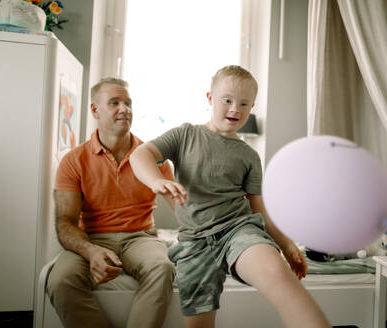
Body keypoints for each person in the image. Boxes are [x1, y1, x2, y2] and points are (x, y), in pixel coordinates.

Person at [129, 65, 331, 328]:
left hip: (238, 231)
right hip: (194, 243)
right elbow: (139, 155)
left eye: (244, 104)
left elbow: (258, 209)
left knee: (277, 274)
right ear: (210, 98)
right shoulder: (185, 134)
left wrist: (286, 244)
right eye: (227, 100)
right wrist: (156, 180)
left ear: (252, 107)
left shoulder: (248, 156)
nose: (235, 109)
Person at [47, 78, 176, 328]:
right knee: (59, 280)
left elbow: (183, 210)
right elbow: (65, 223)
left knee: (162, 268)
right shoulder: (73, 161)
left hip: (140, 237)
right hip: (92, 238)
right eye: (115, 103)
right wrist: (91, 251)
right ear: (95, 110)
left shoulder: (155, 157)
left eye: (128, 103)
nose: (125, 109)